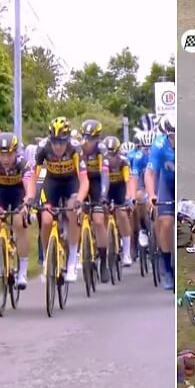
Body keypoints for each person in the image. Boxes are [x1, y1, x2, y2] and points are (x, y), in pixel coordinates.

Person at [36, 117, 89, 283]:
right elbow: (34, 176)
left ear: (67, 140)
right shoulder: (43, 148)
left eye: (61, 142)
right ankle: (47, 259)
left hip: (70, 182)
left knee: (73, 210)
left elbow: (84, 180)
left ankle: (72, 260)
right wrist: (33, 197)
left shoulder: (75, 149)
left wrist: (79, 199)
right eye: (54, 142)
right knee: (45, 220)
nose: (58, 146)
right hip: (51, 182)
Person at [0, 132, 33, 288]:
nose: (5, 159)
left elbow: (28, 184)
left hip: (18, 192)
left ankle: (22, 271)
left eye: (9, 154)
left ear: (16, 152)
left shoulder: (23, 163)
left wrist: (27, 201)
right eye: (2, 154)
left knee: (19, 223)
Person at [145, 114, 176, 290]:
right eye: (172, 136)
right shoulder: (158, 145)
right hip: (166, 182)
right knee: (165, 223)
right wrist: (151, 195)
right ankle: (166, 267)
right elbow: (150, 173)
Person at [80, 119, 112, 281]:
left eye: (91, 138)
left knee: (99, 221)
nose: (88, 141)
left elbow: (105, 174)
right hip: (82, 181)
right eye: (85, 137)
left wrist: (103, 197)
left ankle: (103, 262)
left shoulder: (102, 150)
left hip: (98, 182)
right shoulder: (78, 149)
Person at [102, 136, 134, 267]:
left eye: (113, 154)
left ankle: (126, 253)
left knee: (122, 214)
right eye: (108, 154)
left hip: (119, 188)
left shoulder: (123, 162)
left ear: (118, 152)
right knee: (101, 213)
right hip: (106, 189)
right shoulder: (101, 162)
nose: (111, 158)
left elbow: (128, 181)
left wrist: (128, 198)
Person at [128, 130, 155, 251]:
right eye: (145, 148)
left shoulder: (159, 154)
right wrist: (133, 197)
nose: (148, 151)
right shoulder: (139, 157)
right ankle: (143, 229)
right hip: (142, 184)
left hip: (157, 182)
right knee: (139, 197)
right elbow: (134, 178)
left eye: (151, 148)